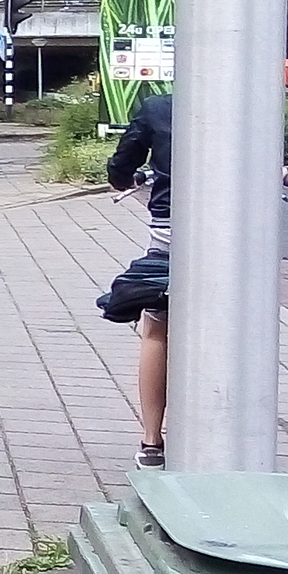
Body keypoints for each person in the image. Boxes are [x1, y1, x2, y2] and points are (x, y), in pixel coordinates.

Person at [106, 91, 173, 468]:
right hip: (236, 233)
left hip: (171, 230)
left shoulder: (159, 108)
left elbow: (122, 163)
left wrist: (120, 179)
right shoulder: (256, 102)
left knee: (157, 327)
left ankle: (151, 441)